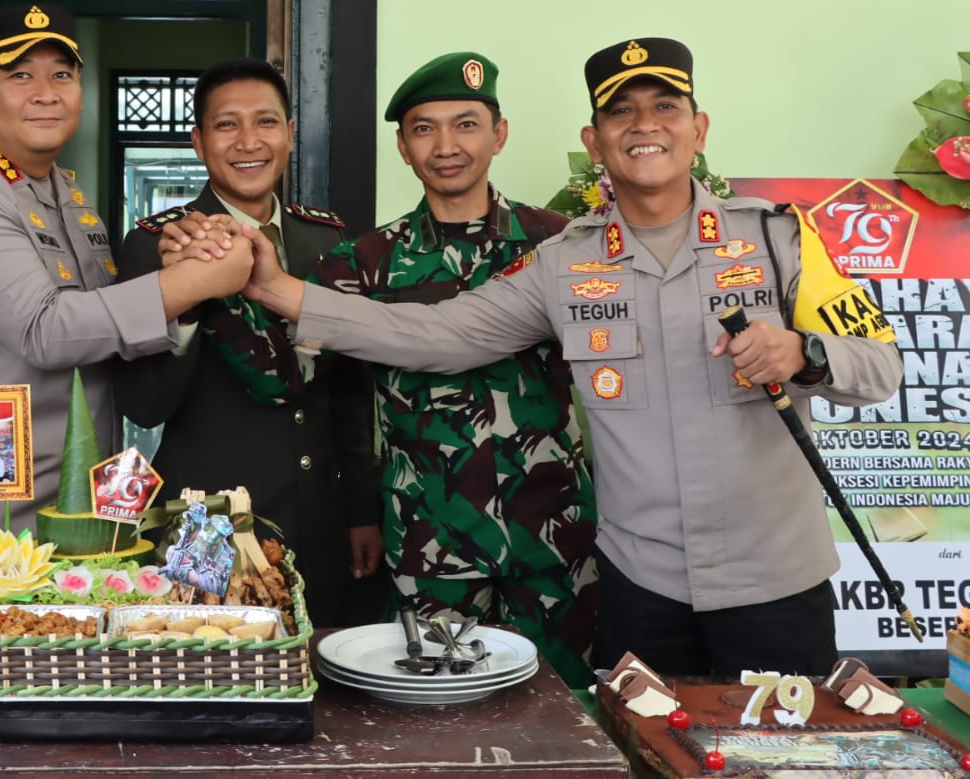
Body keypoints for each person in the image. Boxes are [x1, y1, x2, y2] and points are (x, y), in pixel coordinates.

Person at [232, 37, 903, 677]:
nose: (644, 125)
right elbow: (434, 335)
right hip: (642, 588)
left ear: (698, 129)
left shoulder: (779, 237)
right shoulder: (563, 261)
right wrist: (276, 289)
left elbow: (882, 366)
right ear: (594, 141)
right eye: (620, 111)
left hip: (775, 580)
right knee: (641, 754)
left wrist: (802, 351)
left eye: (664, 107)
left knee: (782, 757)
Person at [174, 53, 598, 681]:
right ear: (402, 146)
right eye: (424, 129)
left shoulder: (560, 243)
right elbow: (285, 379)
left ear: (499, 134)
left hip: (553, 530)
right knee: (435, 718)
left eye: (467, 125)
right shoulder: (361, 264)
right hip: (432, 538)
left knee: (570, 706)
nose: (447, 146)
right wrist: (208, 281)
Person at [0, 2, 254, 541]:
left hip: (71, 500)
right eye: (20, 76)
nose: (46, 92)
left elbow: (100, 320)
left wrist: (178, 263)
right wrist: (191, 283)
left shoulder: (61, 188)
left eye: (62, 74)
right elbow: (47, 331)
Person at [115, 58, 383, 627]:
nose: (248, 142)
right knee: (210, 669)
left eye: (265, 122)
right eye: (226, 125)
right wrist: (185, 294)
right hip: (205, 517)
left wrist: (362, 510)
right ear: (197, 142)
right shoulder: (155, 246)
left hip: (320, 508)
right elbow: (143, 404)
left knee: (324, 668)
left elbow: (353, 394)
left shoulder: (328, 237)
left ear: (288, 134)